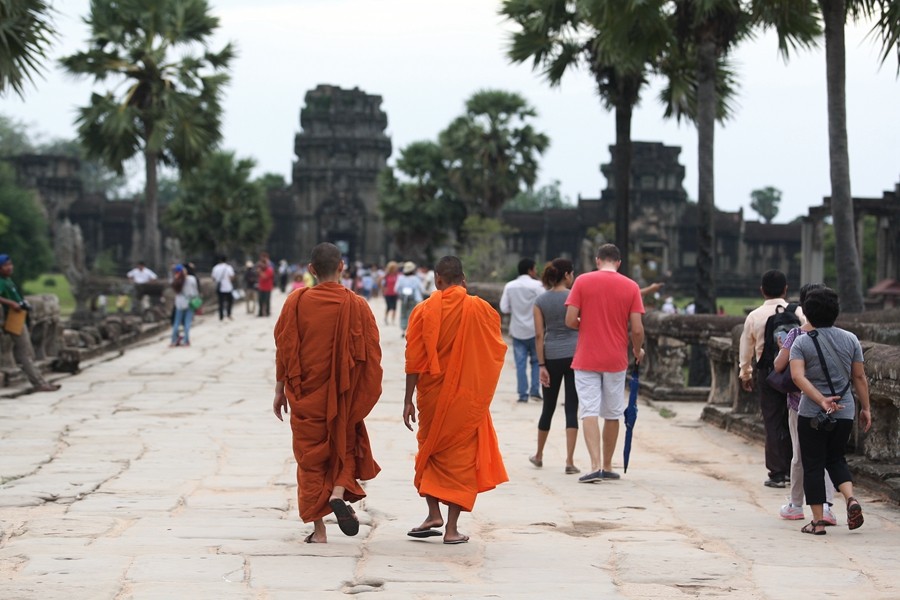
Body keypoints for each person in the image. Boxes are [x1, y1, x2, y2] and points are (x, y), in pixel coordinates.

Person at [272, 242, 383, 544]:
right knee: (343, 443)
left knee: (309, 459)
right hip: (343, 395)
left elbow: (285, 348)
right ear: (342, 267)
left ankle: (319, 531)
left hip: (305, 395)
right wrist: (357, 391)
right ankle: (337, 492)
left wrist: (280, 389)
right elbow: (371, 355)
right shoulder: (357, 305)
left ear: (310, 270)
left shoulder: (295, 302)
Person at [402, 256, 508, 544]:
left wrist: (407, 399)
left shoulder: (423, 311)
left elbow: (414, 359)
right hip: (466, 399)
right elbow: (495, 348)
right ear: (464, 280)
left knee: (431, 448)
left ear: (437, 280)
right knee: (460, 459)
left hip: (431, 396)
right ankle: (450, 528)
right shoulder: (480, 309)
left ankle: (432, 512)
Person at [789, 287, 872, 535]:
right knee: (836, 458)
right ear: (836, 312)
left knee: (813, 464)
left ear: (808, 314)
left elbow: (797, 377)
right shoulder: (850, 339)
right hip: (845, 410)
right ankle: (850, 499)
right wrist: (866, 407)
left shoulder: (801, 342)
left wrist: (821, 400)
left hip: (812, 412)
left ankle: (817, 521)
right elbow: (859, 376)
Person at [565, 244, 644, 483]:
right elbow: (637, 328)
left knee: (589, 409)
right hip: (616, 357)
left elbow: (569, 320)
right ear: (618, 263)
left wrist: (587, 324)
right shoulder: (631, 286)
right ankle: (609, 465)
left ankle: (595, 465)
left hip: (586, 355)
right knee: (612, 412)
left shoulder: (582, 281)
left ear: (598, 260)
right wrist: (637, 349)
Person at [771, 283, 837, 525]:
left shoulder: (796, 335)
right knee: (828, 455)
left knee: (799, 454)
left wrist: (782, 350)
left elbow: (779, 366)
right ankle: (828, 507)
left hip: (799, 403)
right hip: (831, 403)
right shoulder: (840, 336)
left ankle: (796, 504)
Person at [739, 269, 801, 488]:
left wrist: (745, 374)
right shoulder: (799, 312)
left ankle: (777, 472)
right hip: (796, 373)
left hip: (768, 373)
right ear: (786, 289)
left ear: (762, 290)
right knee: (795, 419)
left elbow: (745, 351)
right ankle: (796, 468)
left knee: (773, 420)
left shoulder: (755, 316)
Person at [531, 258, 580, 474]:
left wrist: (541, 364)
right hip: (575, 355)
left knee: (548, 407)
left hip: (551, 355)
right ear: (567, 275)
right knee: (572, 407)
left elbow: (539, 335)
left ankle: (539, 454)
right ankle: (569, 461)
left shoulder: (540, 300)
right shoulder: (574, 297)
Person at [0, 254, 60, 393]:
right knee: (26, 353)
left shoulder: (7, 280)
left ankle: (40, 381)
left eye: (10, 264)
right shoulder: (1, 282)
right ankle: (39, 383)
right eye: (5, 265)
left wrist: (22, 303)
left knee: (26, 352)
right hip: (12, 319)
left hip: (19, 317)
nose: (10, 267)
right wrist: (12, 303)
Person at [500, 258, 545, 403]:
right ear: (531, 270)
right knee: (536, 361)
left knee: (520, 364)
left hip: (517, 329)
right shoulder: (538, 286)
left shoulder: (510, 286)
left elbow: (504, 308)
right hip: (535, 329)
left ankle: (522, 394)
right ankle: (535, 391)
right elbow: (544, 305)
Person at [169, 264, 199, 347]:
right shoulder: (191, 279)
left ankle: (173, 341)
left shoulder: (174, 280)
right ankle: (186, 341)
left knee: (176, 322)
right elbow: (195, 291)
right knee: (187, 323)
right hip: (189, 302)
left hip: (179, 303)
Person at [396, 261, 423, 336]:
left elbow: (396, 288)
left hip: (403, 298)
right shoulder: (415, 278)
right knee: (411, 313)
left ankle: (402, 330)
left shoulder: (401, 278)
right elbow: (421, 288)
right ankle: (410, 329)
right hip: (413, 298)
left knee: (403, 313)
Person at [211, 255, 236, 321]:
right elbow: (232, 277)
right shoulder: (228, 267)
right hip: (228, 287)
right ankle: (229, 313)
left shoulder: (215, 268)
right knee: (230, 301)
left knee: (220, 302)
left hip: (219, 287)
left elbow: (213, 278)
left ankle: (221, 316)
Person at [381, 261, 399, 325]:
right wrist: (383, 289)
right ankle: (385, 318)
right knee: (388, 306)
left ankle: (393, 320)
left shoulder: (397, 275)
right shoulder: (386, 276)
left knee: (394, 307)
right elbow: (379, 281)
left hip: (395, 293)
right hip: (387, 293)